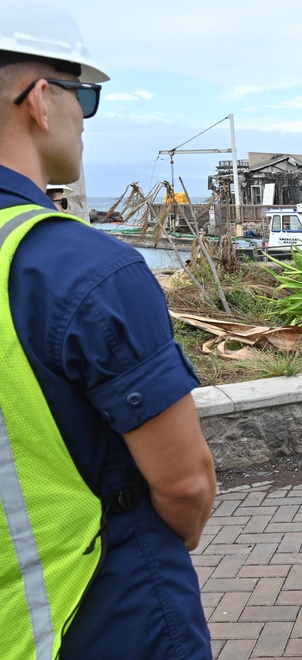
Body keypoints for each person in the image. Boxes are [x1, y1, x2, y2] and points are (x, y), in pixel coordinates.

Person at [0, 2, 216, 658]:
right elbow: (185, 485)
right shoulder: (82, 269)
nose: (85, 122)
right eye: (84, 96)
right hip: (101, 606)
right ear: (40, 100)